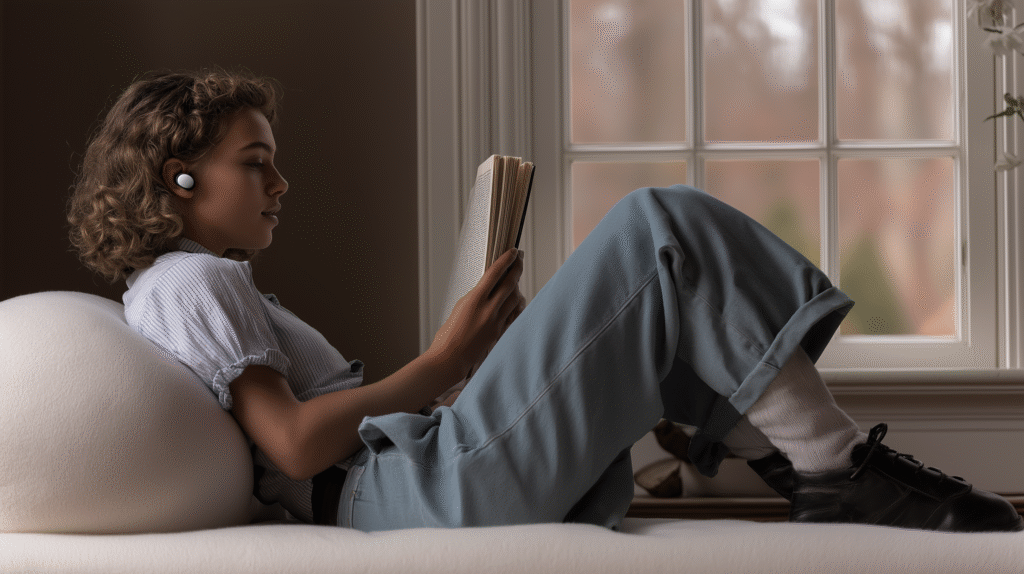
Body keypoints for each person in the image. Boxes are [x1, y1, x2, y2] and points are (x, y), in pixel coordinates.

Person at [68, 68, 1022, 533]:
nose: (280, 184)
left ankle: (786, 458)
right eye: (255, 163)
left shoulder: (180, 286)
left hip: (412, 478)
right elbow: (291, 445)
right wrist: (441, 365)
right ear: (179, 178)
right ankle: (829, 465)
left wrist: (458, 371)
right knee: (659, 229)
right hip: (397, 493)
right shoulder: (195, 279)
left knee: (649, 298)